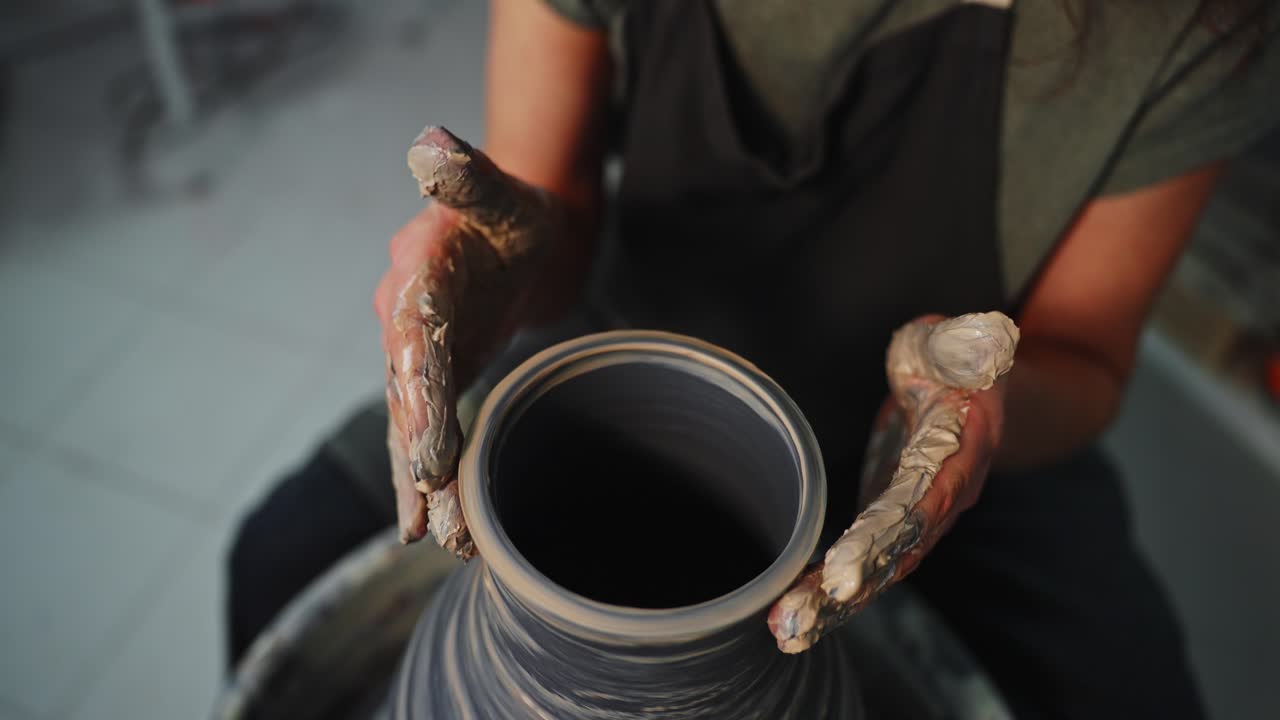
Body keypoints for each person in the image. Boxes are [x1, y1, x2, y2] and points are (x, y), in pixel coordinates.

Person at [228, 1, 1280, 717]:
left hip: (936, 434)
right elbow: (556, 209)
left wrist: (975, 402)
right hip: (617, 344)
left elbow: (1084, 359)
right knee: (279, 555)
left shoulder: (1187, 22)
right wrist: (505, 258)